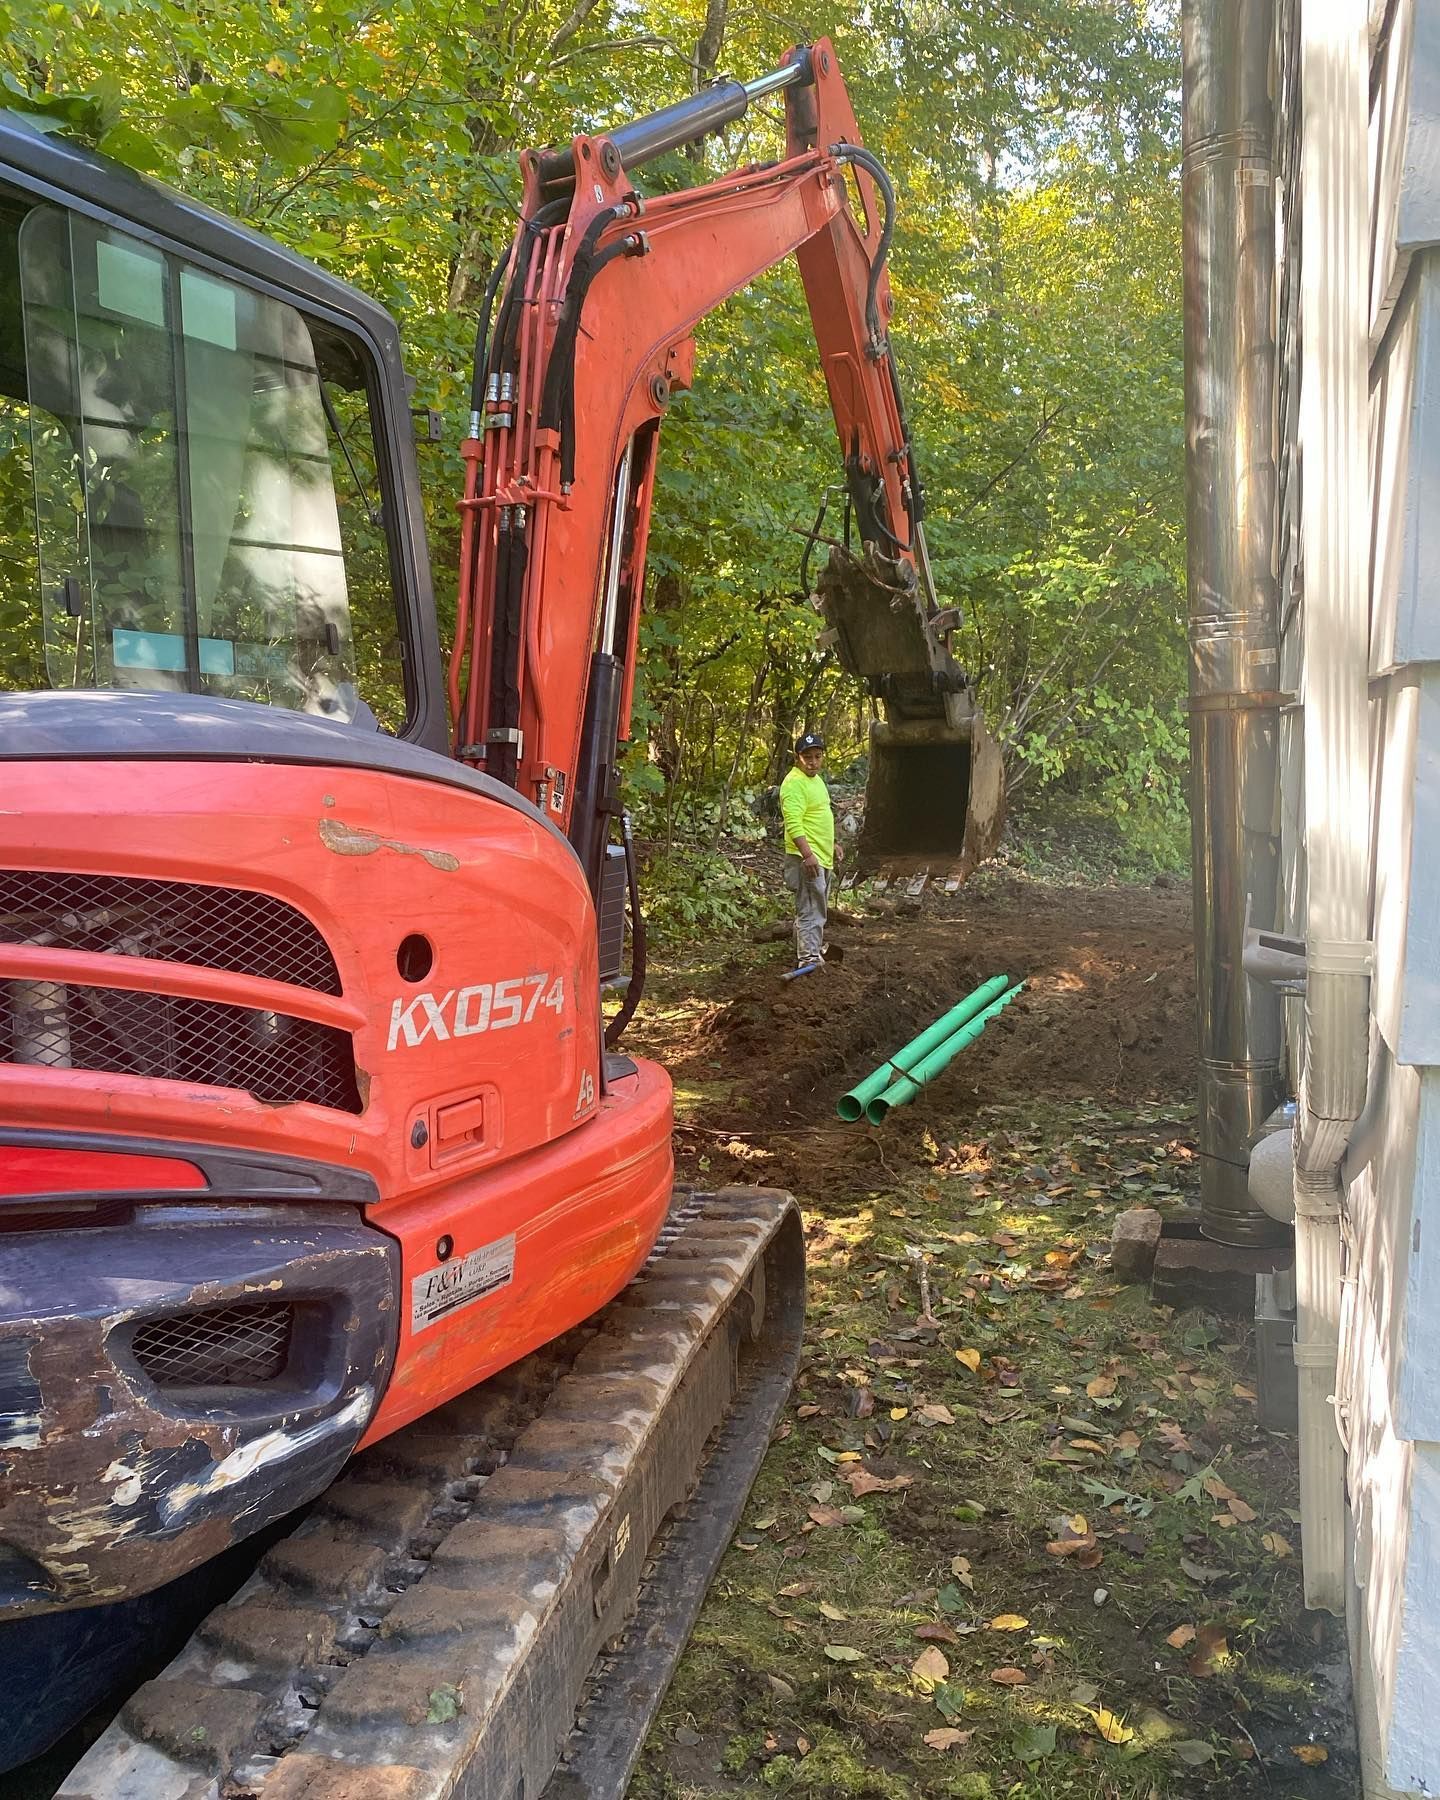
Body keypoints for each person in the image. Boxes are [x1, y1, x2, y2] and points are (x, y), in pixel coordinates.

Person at [779, 730, 842, 977]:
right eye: (808, 757)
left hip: (820, 854)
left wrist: (833, 844)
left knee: (814, 906)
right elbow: (793, 823)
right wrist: (807, 855)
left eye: (817, 756)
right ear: (798, 758)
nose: (813, 762)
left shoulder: (815, 781)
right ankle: (807, 959)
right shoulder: (793, 784)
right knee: (811, 908)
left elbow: (821, 815)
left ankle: (810, 950)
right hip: (807, 858)